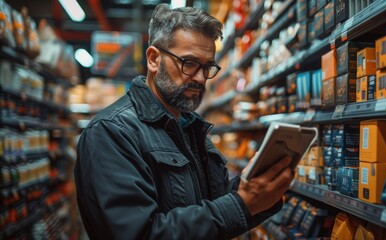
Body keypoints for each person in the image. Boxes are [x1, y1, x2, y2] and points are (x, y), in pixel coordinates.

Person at [74, 3, 294, 240]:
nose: (200, 78)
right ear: (153, 59)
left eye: (208, 67)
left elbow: (206, 206)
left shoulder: (190, 127)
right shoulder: (111, 132)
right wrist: (240, 205)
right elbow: (138, 234)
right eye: (189, 63)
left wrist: (255, 190)